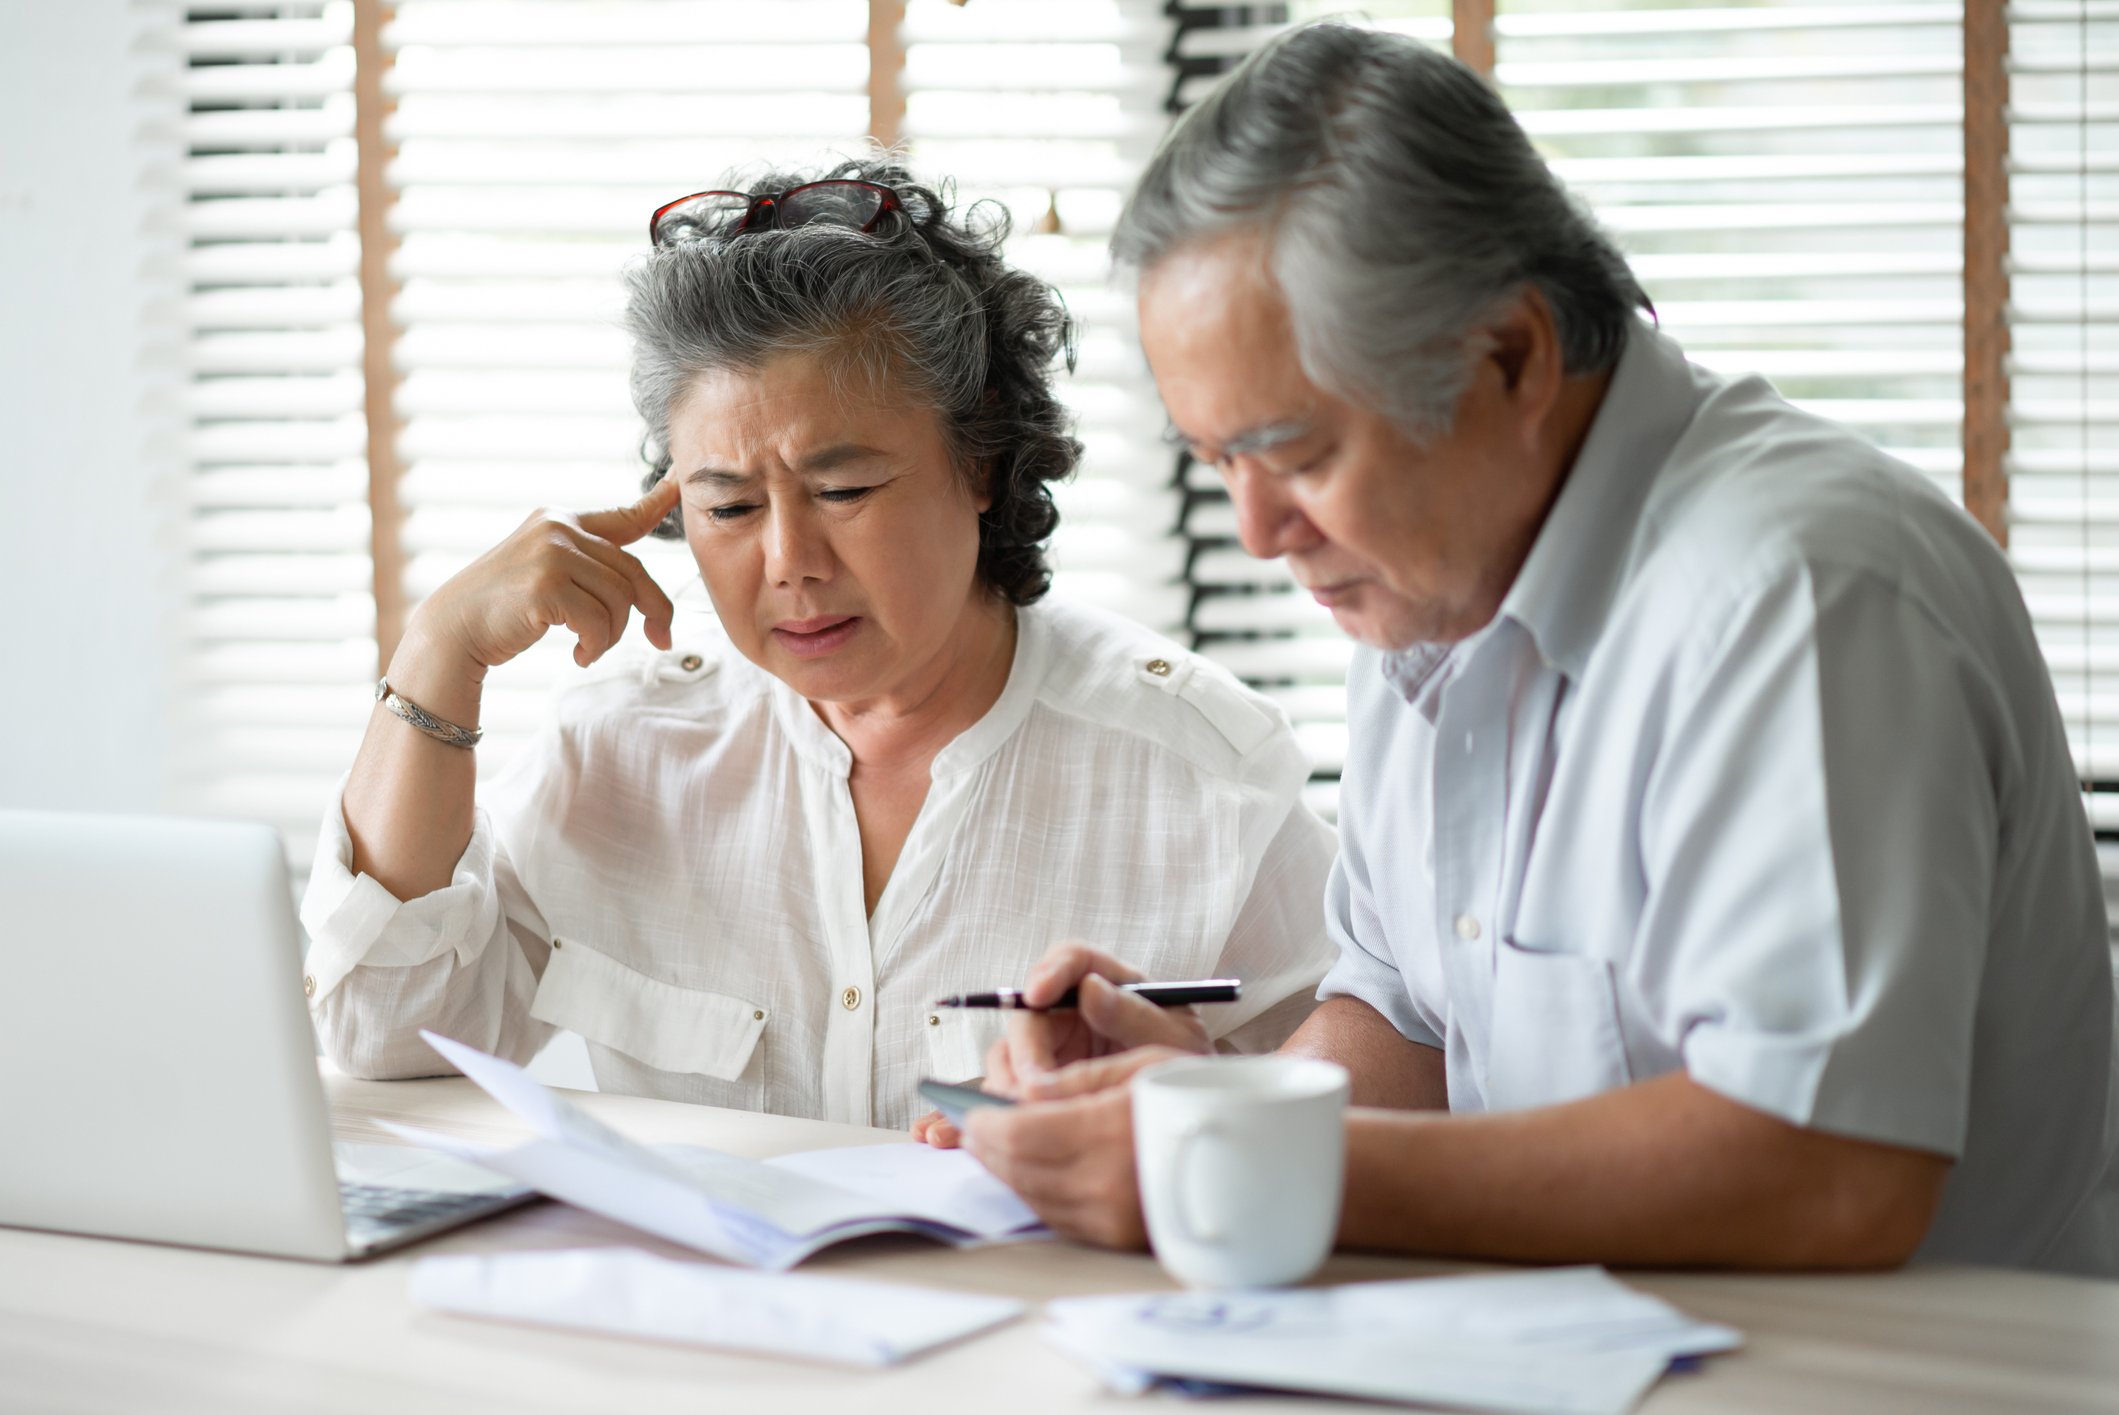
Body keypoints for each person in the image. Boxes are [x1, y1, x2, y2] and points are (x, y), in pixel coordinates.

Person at [950, 25, 2119, 1276]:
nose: (1257, 532)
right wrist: (1209, 1110)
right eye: (1218, 461)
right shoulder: (1428, 578)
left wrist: (1243, 1166)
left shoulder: (1803, 593)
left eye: (1295, 453)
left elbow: (1830, 1169)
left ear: (1510, 354)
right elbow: (1410, 1022)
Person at [298, 159, 1337, 1130]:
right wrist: (437, 654)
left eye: (842, 490)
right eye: (730, 505)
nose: (789, 560)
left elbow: (1368, 1109)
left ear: (979, 463)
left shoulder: (1205, 776)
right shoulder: (616, 755)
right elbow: (383, 1037)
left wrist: (1188, 1103)